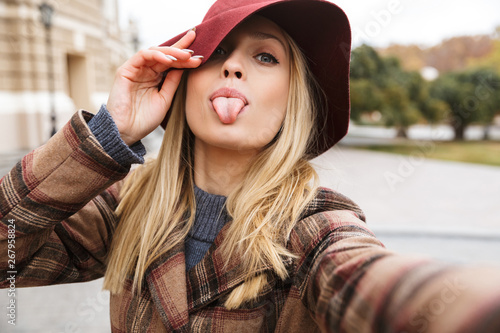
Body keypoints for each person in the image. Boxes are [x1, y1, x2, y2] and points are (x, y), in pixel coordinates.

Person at [2, 0, 500, 331]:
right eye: (216, 50)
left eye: (265, 57)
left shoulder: (317, 227)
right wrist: (112, 133)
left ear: (292, 102)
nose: (233, 66)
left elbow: (377, 285)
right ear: (181, 84)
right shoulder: (127, 205)